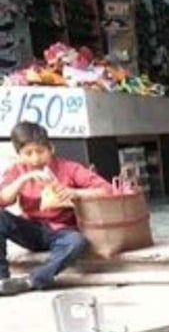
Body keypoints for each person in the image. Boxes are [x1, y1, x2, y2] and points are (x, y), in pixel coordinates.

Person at [0, 123, 112, 296]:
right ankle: (2, 280)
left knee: (77, 242)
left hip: (62, 231)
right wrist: (23, 179)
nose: (35, 159)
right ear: (19, 155)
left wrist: (74, 192)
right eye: (28, 154)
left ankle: (33, 280)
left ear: (51, 148)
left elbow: (107, 190)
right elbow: (4, 200)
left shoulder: (70, 168)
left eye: (40, 151)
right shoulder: (16, 172)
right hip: (32, 230)